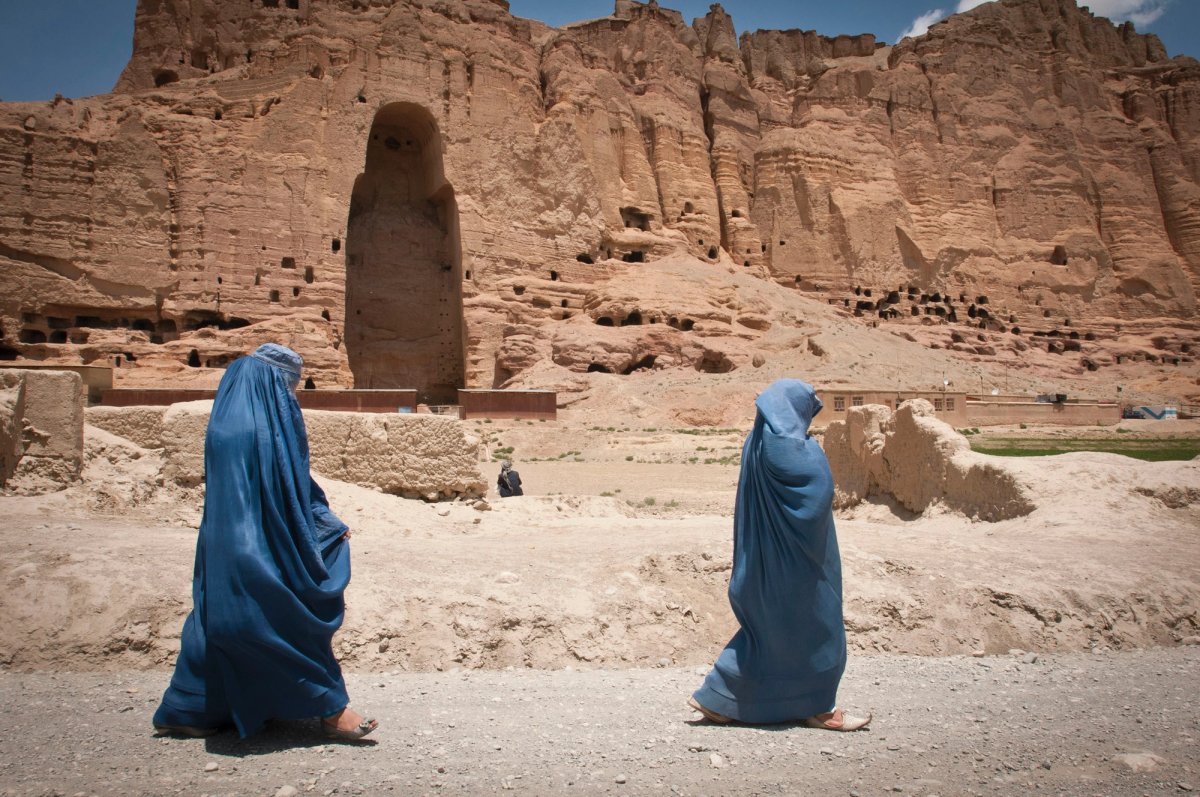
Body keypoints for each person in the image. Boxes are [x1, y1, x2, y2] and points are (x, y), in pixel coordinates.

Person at [152, 343, 377, 741]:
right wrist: (324, 526)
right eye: (288, 385)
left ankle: (190, 708)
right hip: (255, 542)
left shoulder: (227, 421)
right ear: (272, 381)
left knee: (215, 618)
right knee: (273, 615)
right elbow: (287, 488)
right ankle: (329, 707)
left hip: (222, 541)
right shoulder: (258, 431)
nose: (290, 394)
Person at [687, 379, 871, 731]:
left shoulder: (756, 441)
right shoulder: (790, 446)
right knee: (819, 630)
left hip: (760, 563)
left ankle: (720, 698)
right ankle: (820, 709)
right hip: (799, 564)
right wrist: (815, 451)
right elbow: (816, 490)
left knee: (766, 636)